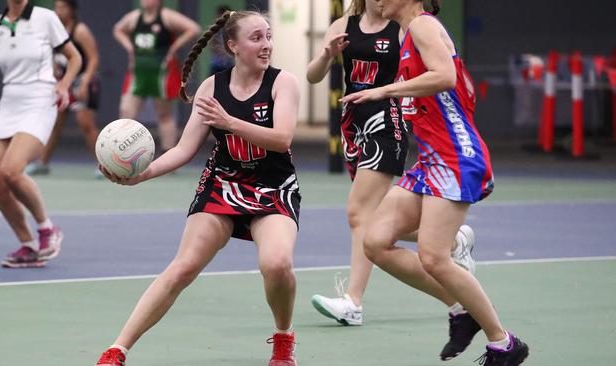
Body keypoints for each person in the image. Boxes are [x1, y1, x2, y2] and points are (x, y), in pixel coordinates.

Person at [95, 10, 301, 366]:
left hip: (272, 187)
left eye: (268, 36)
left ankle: (283, 339)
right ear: (233, 46)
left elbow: (281, 139)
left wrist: (229, 121)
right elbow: (183, 150)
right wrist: (140, 175)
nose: (266, 44)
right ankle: (117, 350)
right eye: (256, 38)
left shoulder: (284, 83)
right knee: (183, 267)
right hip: (223, 184)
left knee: (277, 263)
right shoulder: (212, 88)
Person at [340, 0, 529, 364]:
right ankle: (461, 309)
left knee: (433, 256)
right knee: (376, 241)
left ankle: (504, 343)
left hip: (455, 155)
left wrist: (384, 91)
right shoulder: (407, 33)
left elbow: (445, 77)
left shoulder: (423, 25)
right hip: (430, 159)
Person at [305, 0, 476, 326]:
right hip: (353, 125)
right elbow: (313, 76)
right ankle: (455, 241)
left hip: (386, 122)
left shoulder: (402, 29)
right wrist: (327, 54)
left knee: (359, 213)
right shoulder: (345, 25)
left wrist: (394, 93)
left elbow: (434, 73)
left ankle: (353, 302)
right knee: (379, 218)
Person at [0, 0, 81, 268]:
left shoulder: (45, 18)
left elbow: (75, 57)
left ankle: (47, 229)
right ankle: (28, 245)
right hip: (9, 103)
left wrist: (64, 85)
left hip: (40, 97)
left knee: (11, 170)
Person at [26, 0, 102, 178]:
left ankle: (104, 165)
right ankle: (42, 163)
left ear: (72, 10)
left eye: (63, 7)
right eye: (57, 7)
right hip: (63, 82)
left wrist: (84, 83)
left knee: (86, 124)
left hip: (84, 81)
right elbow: (56, 57)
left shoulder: (80, 30)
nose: (58, 11)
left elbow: (93, 59)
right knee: (54, 123)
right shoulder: (55, 30)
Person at [113, 0, 201, 154]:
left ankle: (169, 153)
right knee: (126, 111)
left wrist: (174, 47)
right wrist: (129, 47)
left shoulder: (166, 16)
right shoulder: (134, 18)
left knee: (164, 114)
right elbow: (118, 29)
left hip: (161, 73)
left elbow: (193, 28)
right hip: (138, 72)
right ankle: (123, 153)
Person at [208, 5, 234, 76]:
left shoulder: (232, 29)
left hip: (228, 64)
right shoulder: (216, 29)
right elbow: (212, 45)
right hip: (216, 63)